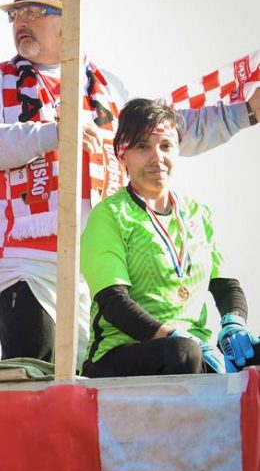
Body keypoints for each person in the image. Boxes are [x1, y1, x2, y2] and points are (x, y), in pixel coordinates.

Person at [0, 0, 259, 362]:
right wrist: (53, 133)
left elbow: (171, 131)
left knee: (87, 376)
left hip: (101, 259)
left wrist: (246, 112)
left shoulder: (109, 87)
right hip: (25, 261)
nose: (21, 22)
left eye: (33, 12)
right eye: (15, 14)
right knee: (36, 369)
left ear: (69, 19)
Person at [80, 99, 258, 377]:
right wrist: (173, 334)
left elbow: (226, 286)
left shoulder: (198, 213)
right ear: (122, 155)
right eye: (143, 147)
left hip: (194, 350)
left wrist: (233, 324)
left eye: (165, 146)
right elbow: (113, 302)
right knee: (183, 352)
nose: (157, 157)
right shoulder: (109, 214)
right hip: (120, 355)